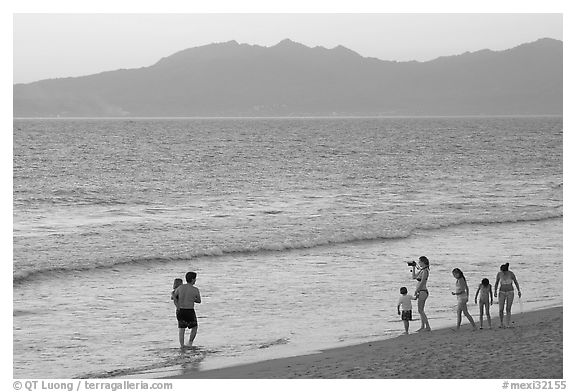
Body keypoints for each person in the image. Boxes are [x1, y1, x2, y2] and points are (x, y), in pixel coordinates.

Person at [173, 271, 202, 348]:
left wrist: (177, 305)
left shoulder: (180, 288)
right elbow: (199, 301)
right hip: (189, 310)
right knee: (194, 327)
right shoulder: (195, 289)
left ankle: (182, 345)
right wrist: (192, 299)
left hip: (180, 310)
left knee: (181, 329)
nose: (195, 280)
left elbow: (174, 297)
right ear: (192, 279)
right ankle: (190, 343)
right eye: (195, 279)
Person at [494, 262, 521, 328]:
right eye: (502, 271)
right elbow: (496, 283)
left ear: (506, 270)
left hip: (510, 292)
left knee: (508, 308)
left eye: (504, 271)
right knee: (501, 309)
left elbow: (515, 282)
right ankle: (501, 323)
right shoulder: (499, 274)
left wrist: (518, 290)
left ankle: (508, 323)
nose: (503, 273)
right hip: (501, 291)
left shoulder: (511, 274)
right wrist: (495, 291)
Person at [411, 256, 431, 332]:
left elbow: (422, 282)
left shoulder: (425, 271)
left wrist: (417, 290)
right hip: (421, 291)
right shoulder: (422, 270)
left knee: (420, 310)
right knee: (421, 310)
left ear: (423, 262)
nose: (419, 263)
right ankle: (423, 326)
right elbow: (413, 277)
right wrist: (413, 267)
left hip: (423, 291)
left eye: (420, 262)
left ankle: (427, 326)